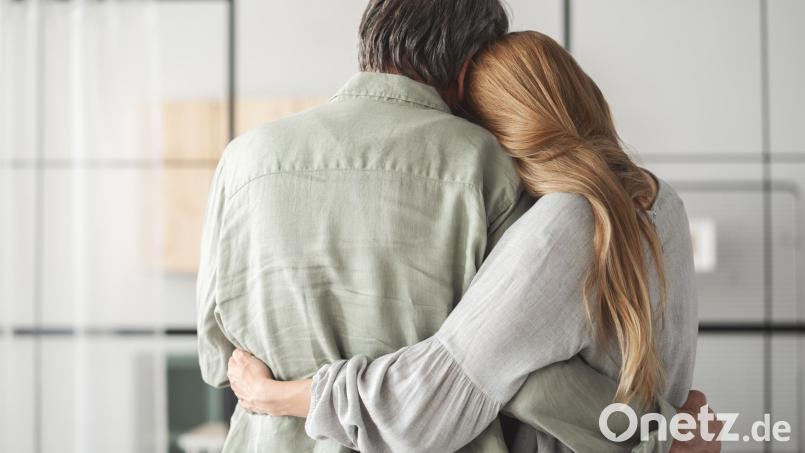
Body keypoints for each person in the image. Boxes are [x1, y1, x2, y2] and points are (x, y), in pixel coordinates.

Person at [225, 31, 723, 453]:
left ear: (498, 132)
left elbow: (427, 405)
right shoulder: (659, 200)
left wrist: (276, 396)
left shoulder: (566, 226)